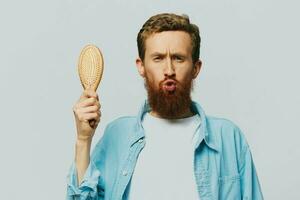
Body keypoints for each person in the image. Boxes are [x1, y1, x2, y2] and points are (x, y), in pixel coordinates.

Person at [66, 13, 264, 200]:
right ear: (141, 66)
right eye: (158, 58)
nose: (169, 70)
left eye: (178, 58)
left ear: (195, 68)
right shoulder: (117, 135)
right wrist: (83, 140)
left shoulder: (228, 138)